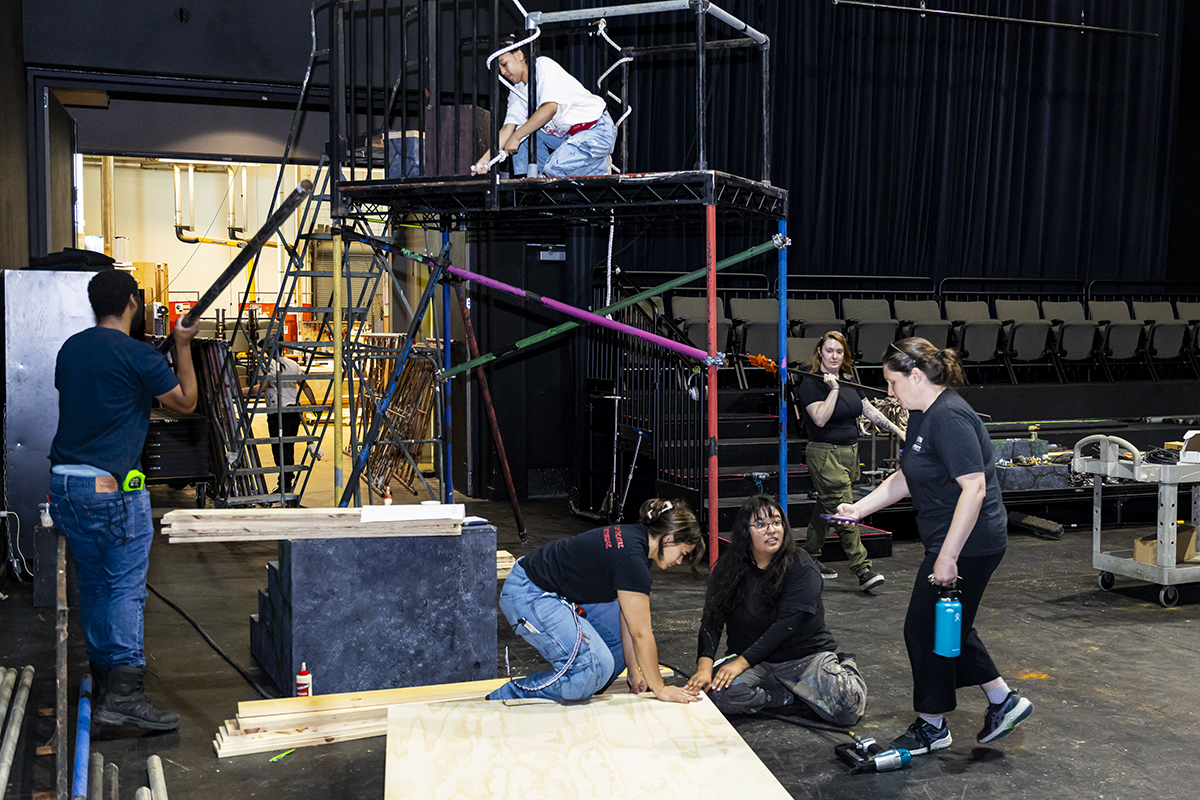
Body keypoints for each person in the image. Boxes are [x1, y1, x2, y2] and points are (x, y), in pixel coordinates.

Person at [836, 337, 1033, 755]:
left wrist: (947, 556)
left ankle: (932, 725)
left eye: (892, 382)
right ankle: (1002, 700)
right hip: (952, 539)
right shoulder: (922, 415)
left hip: (971, 543)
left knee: (924, 628)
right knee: (948, 624)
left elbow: (974, 489)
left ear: (916, 376)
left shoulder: (950, 418)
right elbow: (908, 475)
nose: (889, 392)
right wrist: (859, 509)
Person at [48, 269, 199, 730]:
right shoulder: (136, 354)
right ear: (133, 302)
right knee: (124, 588)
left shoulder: (71, 349)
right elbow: (186, 401)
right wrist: (183, 346)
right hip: (110, 491)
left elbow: (94, 399)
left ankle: (104, 679)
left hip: (64, 487)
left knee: (95, 585)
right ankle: (125, 694)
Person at [488, 499, 704, 703]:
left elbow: (628, 618)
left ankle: (583, 685)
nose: (679, 561)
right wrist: (660, 688)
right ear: (669, 538)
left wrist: (633, 670)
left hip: (556, 591)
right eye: (682, 553)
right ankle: (511, 695)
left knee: (614, 647)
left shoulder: (638, 542)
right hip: (529, 593)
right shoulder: (632, 558)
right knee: (595, 666)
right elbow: (641, 633)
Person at [687, 495, 867, 724]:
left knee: (847, 708)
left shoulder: (802, 567)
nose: (771, 530)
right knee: (719, 695)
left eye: (776, 522)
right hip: (754, 660)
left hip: (804, 658)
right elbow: (711, 619)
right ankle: (788, 695)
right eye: (760, 525)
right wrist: (704, 667)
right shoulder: (727, 567)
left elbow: (786, 626)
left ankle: (844, 665)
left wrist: (741, 664)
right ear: (745, 532)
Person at [797, 331, 905, 591]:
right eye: (829, 351)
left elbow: (868, 410)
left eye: (839, 351)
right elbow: (820, 418)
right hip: (825, 456)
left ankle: (807, 557)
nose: (834, 356)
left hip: (849, 454)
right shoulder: (811, 383)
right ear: (820, 352)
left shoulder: (850, 379)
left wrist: (899, 430)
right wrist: (833, 389)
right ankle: (862, 570)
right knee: (844, 509)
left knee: (827, 505)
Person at [471, 31, 616, 178]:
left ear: (520, 55)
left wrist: (517, 136)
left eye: (504, 64)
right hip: (568, 136)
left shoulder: (542, 65)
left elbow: (549, 108)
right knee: (522, 136)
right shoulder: (517, 91)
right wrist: (485, 160)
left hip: (596, 129)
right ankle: (531, 179)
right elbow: (508, 128)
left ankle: (597, 165)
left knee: (552, 166)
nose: (502, 72)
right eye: (499, 68)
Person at [247, 340, 316, 497]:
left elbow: (262, 388)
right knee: (288, 448)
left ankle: (284, 484)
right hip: (293, 411)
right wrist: (313, 404)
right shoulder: (292, 364)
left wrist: (239, 390)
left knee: (279, 450)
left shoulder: (267, 365)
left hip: (278, 413)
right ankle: (286, 482)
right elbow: (304, 385)